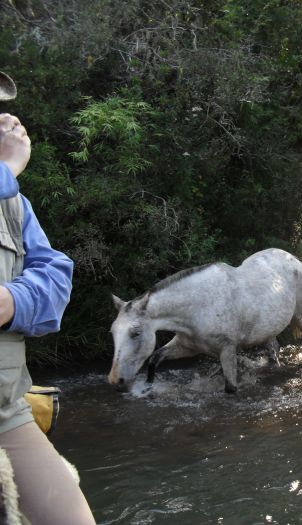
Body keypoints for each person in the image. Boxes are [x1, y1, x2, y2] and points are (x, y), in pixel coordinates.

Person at [0, 71, 95, 524]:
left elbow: (56, 275)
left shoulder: (14, 203)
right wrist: (5, 172)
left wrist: (13, 302)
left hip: (5, 411)